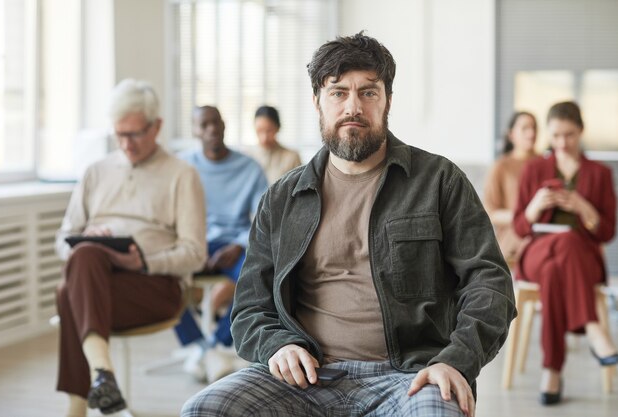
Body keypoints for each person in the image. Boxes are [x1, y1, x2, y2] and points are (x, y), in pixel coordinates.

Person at [182, 32, 516, 417]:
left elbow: (490, 283)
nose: (352, 107)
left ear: (387, 100)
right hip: (305, 378)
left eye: (368, 93)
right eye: (338, 92)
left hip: (411, 375)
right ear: (317, 103)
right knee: (205, 409)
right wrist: (276, 345)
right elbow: (249, 307)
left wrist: (456, 360)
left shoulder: (439, 180)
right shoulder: (282, 198)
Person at [55, 79, 207, 417]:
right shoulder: (96, 172)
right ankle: (103, 376)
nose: (127, 144)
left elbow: (195, 253)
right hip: (98, 280)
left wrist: (142, 262)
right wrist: (89, 239)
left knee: (68, 293)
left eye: (135, 134)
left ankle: (78, 404)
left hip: (155, 287)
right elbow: (63, 239)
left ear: (157, 126)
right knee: (85, 254)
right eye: (119, 135)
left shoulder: (182, 174)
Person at [513, 101, 617, 405]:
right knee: (561, 247)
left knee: (559, 262)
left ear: (581, 131)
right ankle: (592, 327)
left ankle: (552, 372)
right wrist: (535, 207)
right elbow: (521, 227)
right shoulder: (534, 169)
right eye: (556, 135)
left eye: (569, 135)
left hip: (580, 257)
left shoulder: (600, 173)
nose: (562, 143)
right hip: (537, 250)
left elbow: (608, 231)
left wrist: (584, 207)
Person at [176, 105, 268, 383]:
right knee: (162, 276)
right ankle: (198, 345)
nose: (211, 129)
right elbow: (169, 215)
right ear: (195, 130)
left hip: (234, 244)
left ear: (225, 126)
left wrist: (240, 244)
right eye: (204, 125)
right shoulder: (182, 167)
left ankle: (215, 343)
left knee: (259, 278)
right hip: (194, 243)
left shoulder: (249, 167)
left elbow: (265, 216)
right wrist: (192, 244)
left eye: (216, 123)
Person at [484, 111, 538, 263]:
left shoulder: (545, 164)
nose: (531, 133)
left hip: (543, 232)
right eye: (525, 128)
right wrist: (526, 217)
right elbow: (491, 213)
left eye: (534, 128)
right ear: (511, 134)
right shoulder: (501, 167)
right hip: (512, 237)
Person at [248, 105, 302, 183]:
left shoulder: (291, 157)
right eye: (259, 130)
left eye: (269, 131)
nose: (264, 138)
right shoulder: (248, 156)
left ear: (278, 128)